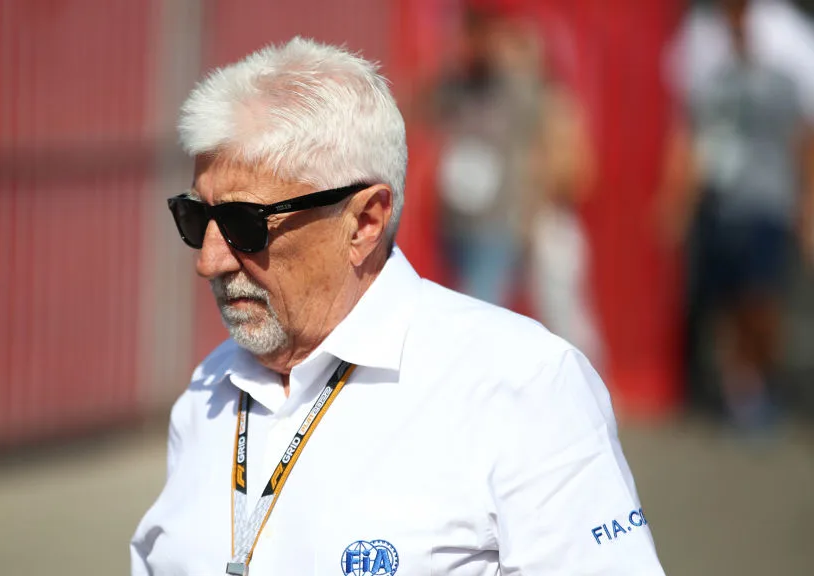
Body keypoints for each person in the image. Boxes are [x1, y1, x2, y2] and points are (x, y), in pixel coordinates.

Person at [131, 37, 665, 575]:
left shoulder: (525, 384)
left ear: (364, 221)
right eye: (196, 219)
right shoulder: (209, 390)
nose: (209, 261)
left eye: (246, 225)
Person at [659, 0, 814, 431]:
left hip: (769, 203)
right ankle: (742, 394)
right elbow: (691, 139)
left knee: (760, 300)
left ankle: (760, 382)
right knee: (726, 303)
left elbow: (803, 145)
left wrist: (807, 207)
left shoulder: (783, 78)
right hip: (722, 205)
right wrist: (678, 200)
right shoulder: (714, 82)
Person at [422, 1, 605, 366]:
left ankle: (586, 380)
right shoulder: (459, 86)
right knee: (480, 306)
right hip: (468, 219)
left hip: (525, 221)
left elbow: (574, 169)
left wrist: (538, 198)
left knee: (536, 309)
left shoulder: (538, 99)